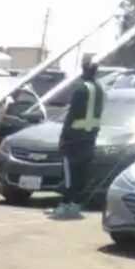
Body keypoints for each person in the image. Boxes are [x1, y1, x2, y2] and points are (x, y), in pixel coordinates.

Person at [52, 55, 105, 219]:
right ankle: (75, 204)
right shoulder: (99, 89)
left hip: (74, 138)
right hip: (89, 137)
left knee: (69, 173)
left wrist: (63, 138)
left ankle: (65, 204)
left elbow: (71, 115)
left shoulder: (81, 89)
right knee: (81, 173)